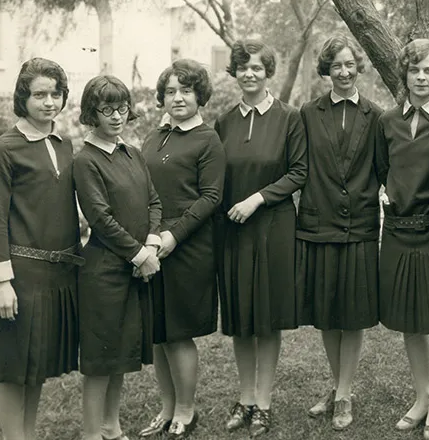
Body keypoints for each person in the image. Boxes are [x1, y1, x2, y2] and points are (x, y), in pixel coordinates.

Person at [0, 58, 81, 440]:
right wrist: (1, 281)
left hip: (58, 274)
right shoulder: (3, 149)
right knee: (13, 365)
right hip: (20, 275)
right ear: (22, 97)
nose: (48, 102)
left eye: (55, 94)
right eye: (39, 94)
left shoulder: (64, 143)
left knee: (36, 362)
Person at [215, 39, 307, 437]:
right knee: (240, 318)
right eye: (242, 67)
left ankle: (264, 403)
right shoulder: (223, 122)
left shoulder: (289, 118)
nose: (249, 74)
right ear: (234, 73)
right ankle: (246, 398)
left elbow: (299, 172)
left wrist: (257, 198)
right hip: (233, 231)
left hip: (274, 227)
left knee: (266, 319)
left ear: (268, 72)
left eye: (257, 67)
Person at [375, 39, 429, 439]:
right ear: (404, 75)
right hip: (397, 232)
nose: (422, 77)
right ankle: (423, 396)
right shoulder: (388, 120)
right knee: (411, 319)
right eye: (415, 70)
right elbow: (382, 168)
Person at [299, 33, 382, 431]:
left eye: (350, 65)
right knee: (327, 315)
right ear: (326, 71)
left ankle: (344, 392)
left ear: (358, 68)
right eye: (337, 66)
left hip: (360, 225)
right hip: (319, 224)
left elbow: (384, 171)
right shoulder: (308, 113)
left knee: (352, 315)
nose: (345, 72)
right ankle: (338, 385)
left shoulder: (376, 115)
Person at [73, 75, 162, 440]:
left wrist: (152, 244)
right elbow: (100, 218)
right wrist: (140, 254)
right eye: (106, 109)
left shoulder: (133, 152)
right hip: (104, 272)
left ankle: (112, 427)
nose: (116, 117)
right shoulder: (86, 159)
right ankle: (93, 433)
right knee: (100, 361)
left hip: (135, 268)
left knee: (121, 355)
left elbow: (153, 201)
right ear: (92, 113)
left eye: (122, 108)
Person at [139, 59, 224, 438]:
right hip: (153, 243)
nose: (177, 98)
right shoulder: (156, 137)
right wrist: (150, 237)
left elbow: (211, 197)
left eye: (186, 90)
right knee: (158, 331)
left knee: (179, 332)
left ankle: (187, 412)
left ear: (199, 95)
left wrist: (174, 236)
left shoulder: (208, 139)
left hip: (187, 246)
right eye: (171, 91)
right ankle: (167, 406)